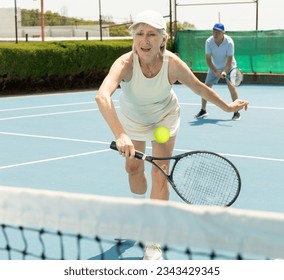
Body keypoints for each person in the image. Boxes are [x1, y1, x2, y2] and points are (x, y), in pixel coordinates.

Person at [95, 10, 248, 260]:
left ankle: (153, 241)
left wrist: (228, 107)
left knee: (160, 174)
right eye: (140, 33)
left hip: (164, 118)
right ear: (134, 38)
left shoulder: (172, 64)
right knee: (133, 169)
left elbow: (199, 87)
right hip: (133, 121)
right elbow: (102, 96)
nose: (145, 40)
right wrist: (120, 134)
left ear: (162, 39)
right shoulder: (124, 64)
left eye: (152, 34)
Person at [195, 23, 241, 120]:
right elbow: (208, 59)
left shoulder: (229, 42)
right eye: (214, 31)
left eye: (218, 32)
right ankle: (203, 110)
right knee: (206, 87)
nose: (215, 33)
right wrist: (215, 71)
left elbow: (229, 59)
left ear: (223, 33)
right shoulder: (209, 41)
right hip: (215, 66)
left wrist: (224, 71)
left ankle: (236, 111)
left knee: (231, 86)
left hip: (230, 66)